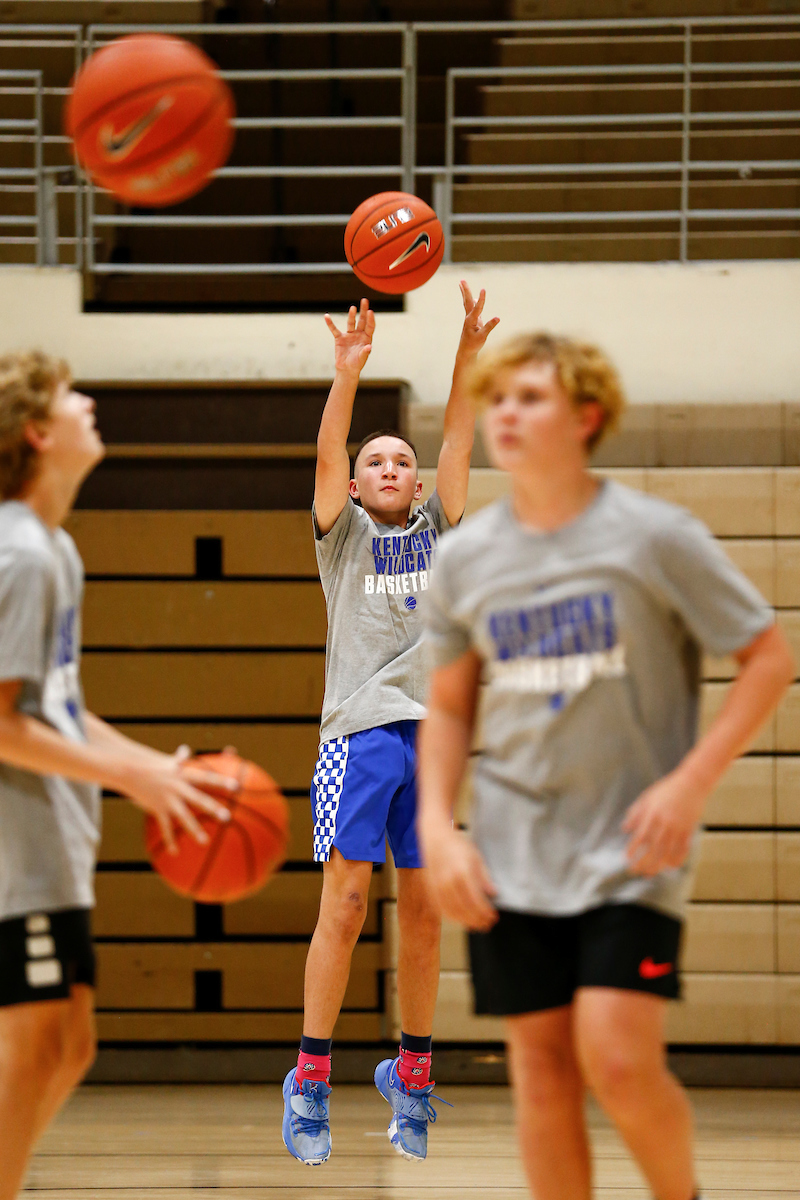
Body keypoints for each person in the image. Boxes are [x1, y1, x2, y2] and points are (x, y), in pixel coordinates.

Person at [417, 332, 794, 1200]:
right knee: (542, 1075)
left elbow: (768, 660)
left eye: (530, 398)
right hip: (511, 851)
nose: (506, 413)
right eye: (497, 398)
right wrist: (440, 828)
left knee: (619, 1062)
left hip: (631, 848)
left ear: (586, 416)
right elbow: (448, 706)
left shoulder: (656, 537)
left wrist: (689, 782)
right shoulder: (468, 558)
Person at [0, 351, 234, 1200]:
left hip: (52, 844)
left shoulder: (55, 549)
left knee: (70, 1047)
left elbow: (56, 706)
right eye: (68, 396)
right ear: (36, 432)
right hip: (11, 852)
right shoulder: (19, 554)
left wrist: (155, 768)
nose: (88, 401)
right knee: (31, 1053)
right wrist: (128, 780)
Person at [281, 283, 499, 1167]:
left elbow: (458, 435)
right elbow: (329, 451)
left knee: (424, 911)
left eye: (399, 461)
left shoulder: (440, 525)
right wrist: (347, 376)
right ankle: (310, 1075)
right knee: (346, 899)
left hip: (433, 740)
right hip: (360, 731)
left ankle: (411, 1070)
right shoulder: (340, 539)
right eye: (377, 461)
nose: (389, 468)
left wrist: (467, 354)